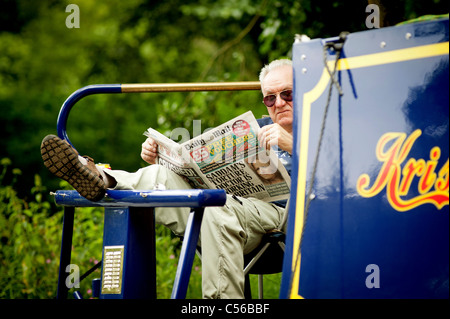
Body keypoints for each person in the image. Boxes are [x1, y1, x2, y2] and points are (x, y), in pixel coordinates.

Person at [41, 59, 294, 298]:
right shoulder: (254, 127)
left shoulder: (325, 129)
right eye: (270, 98)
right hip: (234, 210)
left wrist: (295, 145)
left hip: (287, 217)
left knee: (217, 205)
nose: (279, 103)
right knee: (159, 177)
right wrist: (163, 158)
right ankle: (101, 177)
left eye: (287, 94)